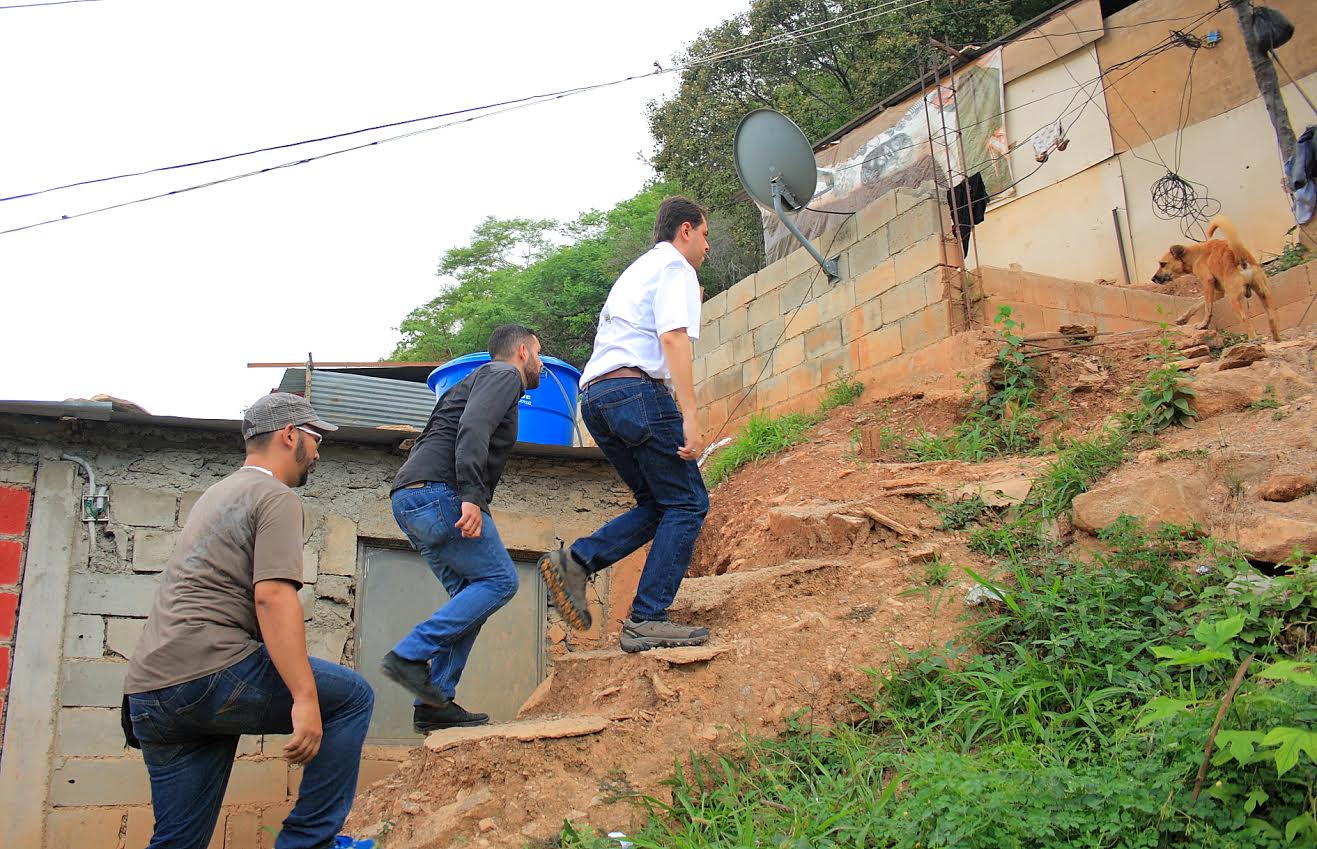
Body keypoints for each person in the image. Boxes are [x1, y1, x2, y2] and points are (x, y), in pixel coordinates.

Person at [123, 392, 375, 849]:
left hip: (150, 691)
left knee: (178, 840)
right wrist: (303, 697)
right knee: (352, 697)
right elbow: (273, 598)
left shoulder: (217, 494)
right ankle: (310, 843)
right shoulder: (275, 497)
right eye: (316, 438)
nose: (319, 451)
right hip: (209, 673)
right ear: (289, 435)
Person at [538, 196, 712, 653]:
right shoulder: (677, 268)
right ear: (686, 230)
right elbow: (672, 338)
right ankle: (648, 617)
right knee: (689, 503)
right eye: (706, 234)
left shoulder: (638, 271)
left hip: (596, 399)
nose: (707, 247)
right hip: (635, 393)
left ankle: (575, 562)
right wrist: (690, 415)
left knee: (660, 503)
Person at [379, 324, 543, 732]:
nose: (540, 362)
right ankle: (410, 654)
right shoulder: (504, 375)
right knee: (500, 581)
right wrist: (471, 495)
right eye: (539, 353)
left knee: (472, 595)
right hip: (441, 493)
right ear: (522, 351)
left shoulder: (473, 382)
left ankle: (435, 701)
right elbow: (474, 429)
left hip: (412, 497)